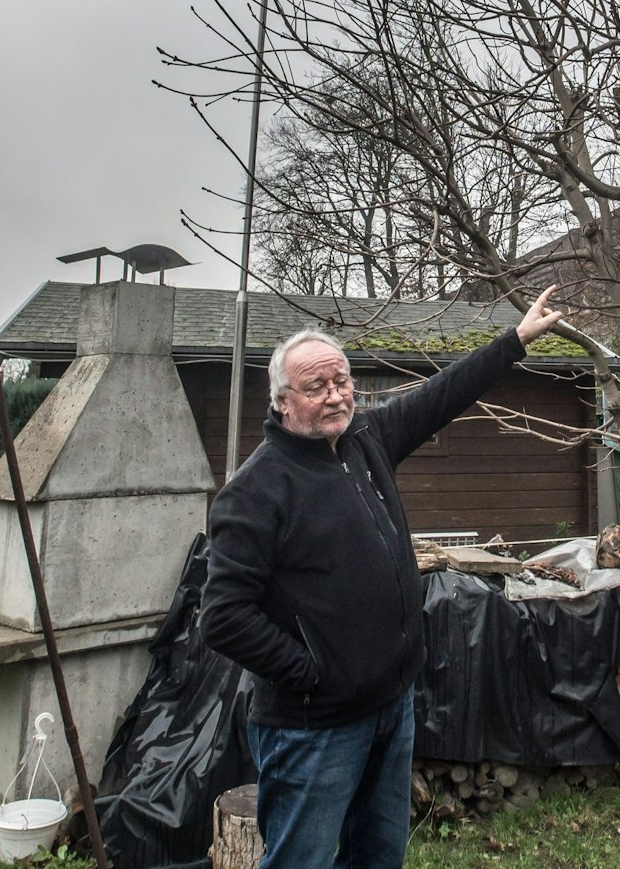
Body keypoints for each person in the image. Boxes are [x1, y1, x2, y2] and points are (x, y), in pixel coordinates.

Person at [202, 287, 566, 869]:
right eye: (317, 387)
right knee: (301, 860)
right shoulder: (254, 492)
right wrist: (312, 673)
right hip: (313, 728)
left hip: (389, 709)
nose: (336, 395)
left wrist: (516, 339)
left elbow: (442, 394)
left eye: (342, 381)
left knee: (378, 856)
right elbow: (223, 617)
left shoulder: (366, 441)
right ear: (283, 401)